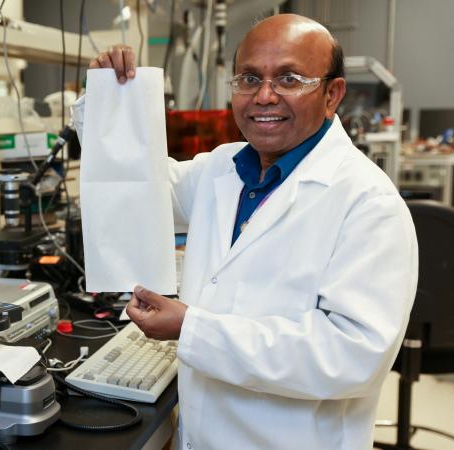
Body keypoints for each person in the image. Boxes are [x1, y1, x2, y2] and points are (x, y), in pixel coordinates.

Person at [78, 13, 418, 450]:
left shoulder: (368, 203)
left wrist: (193, 329)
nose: (264, 96)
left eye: (290, 79)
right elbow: (138, 188)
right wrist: (107, 102)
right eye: (248, 79)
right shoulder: (224, 167)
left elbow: (352, 357)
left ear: (332, 94)